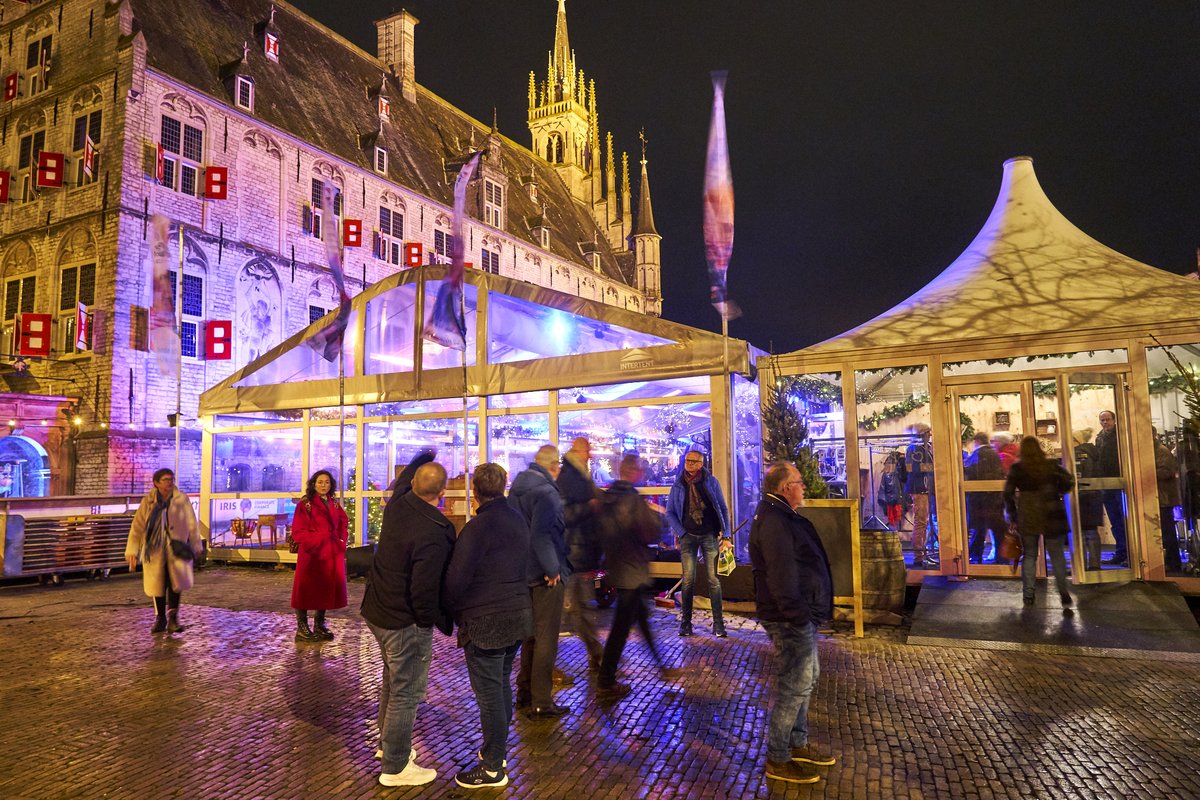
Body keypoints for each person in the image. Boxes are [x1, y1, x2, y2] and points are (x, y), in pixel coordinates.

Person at [361, 460, 455, 788]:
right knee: (406, 690)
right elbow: (424, 589)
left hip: (378, 609)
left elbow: (401, 482)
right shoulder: (434, 530)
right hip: (405, 620)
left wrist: (421, 458)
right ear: (443, 493)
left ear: (413, 483)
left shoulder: (397, 505)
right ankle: (396, 765)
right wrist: (428, 622)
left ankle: (388, 746)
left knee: (392, 678)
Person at [443, 463, 532, 790]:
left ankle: (493, 766)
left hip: (486, 621)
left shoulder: (477, 528)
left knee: (490, 694)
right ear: (504, 486)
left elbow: (456, 579)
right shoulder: (518, 520)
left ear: (475, 491)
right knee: (501, 686)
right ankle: (497, 752)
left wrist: (453, 611)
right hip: (517, 615)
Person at [749, 463, 835, 785]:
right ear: (785, 487)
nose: (804, 488)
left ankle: (797, 743)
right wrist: (797, 614)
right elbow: (781, 574)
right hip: (788, 618)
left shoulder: (781, 514)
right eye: (799, 483)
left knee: (807, 677)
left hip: (797, 615)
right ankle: (778, 756)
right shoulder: (774, 520)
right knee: (794, 683)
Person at [596, 455, 686, 699]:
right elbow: (651, 530)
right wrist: (654, 516)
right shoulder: (632, 500)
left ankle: (660, 665)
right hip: (632, 569)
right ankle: (606, 680)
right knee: (621, 629)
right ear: (633, 472)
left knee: (639, 621)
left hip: (620, 567)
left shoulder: (610, 496)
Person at [510, 445, 571, 720]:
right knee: (546, 638)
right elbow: (542, 535)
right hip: (544, 574)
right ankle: (542, 701)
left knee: (530, 636)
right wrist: (553, 569)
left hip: (521, 570)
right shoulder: (547, 493)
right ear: (553, 466)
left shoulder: (517, 488)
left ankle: (525, 694)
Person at [125, 468, 202, 635]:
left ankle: (173, 619)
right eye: (166, 479)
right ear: (156, 483)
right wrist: (132, 550)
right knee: (157, 584)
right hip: (154, 550)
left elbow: (192, 523)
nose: (169, 482)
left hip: (176, 548)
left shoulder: (182, 500)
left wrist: (196, 545)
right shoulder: (148, 502)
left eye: (171, 479)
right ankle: (160, 618)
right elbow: (137, 527)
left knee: (176, 584)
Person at [666, 450, 732, 637]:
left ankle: (718, 624)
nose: (690, 464)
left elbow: (722, 508)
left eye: (694, 461)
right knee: (688, 581)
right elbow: (670, 512)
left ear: (701, 464)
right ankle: (686, 624)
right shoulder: (679, 485)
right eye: (687, 461)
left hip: (708, 535)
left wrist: (726, 535)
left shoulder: (711, 482)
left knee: (713, 580)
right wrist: (681, 532)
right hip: (688, 536)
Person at [1003, 437, 1075, 608]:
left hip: (1028, 513)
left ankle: (1028, 594)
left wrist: (1013, 515)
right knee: (1057, 555)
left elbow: (1007, 493)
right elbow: (1069, 481)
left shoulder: (1017, 468)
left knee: (1029, 555)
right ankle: (1063, 592)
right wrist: (1058, 492)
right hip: (1052, 512)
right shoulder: (1050, 465)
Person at [556, 437, 605, 672]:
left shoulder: (579, 475)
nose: (590, 455)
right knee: (573, 608)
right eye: (587, 450)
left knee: (580, 607)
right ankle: (542, 662)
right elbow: (565, 514)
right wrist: (590, 506)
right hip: (573, 551)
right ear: (578, 452)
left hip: (579, 550)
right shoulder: (570, 477)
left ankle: (596, 651)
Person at [290, 469, 349, 642]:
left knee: (324, 587)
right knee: (305, 588)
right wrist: (315, 541)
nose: (324, 485)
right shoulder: (306, 503)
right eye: (320, 482)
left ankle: (319, 625)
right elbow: (298, 530)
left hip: (330, 551)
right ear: (314, 484)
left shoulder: (334, 503)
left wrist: (340, 541)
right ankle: (302, 627)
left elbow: (343, 522)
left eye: (327, 482)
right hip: (312, 553)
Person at [964, 433, 1007, 564]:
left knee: (979, 529)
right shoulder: (994, 454)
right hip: (994, 498)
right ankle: (1002, 558)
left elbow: (972, 474)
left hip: (980, 499)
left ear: (976, 441)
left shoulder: (977, 454)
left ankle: (975, 557)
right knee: (997, 530)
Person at [1096, 410, 1128, 565]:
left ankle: (1129, 553)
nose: (1105, 422)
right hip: (1106, 484)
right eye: (1102, 420)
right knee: (1115, 521)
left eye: (1107, 419)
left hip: (1119, 484)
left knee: (1125, 520)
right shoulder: (1099, 438)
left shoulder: (1121, 437)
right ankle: (1121, 552)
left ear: (1114, 420)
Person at [1071, 428, 1104, 571]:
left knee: (1082, 532)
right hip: (1094, 496)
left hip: (1083, 496)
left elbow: (1080, 477)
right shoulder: (1094, 452)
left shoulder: (1079, 454)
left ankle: (1081, 565)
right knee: (1091, 530)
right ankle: (1095, 563)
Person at [903, 423, 935, 569]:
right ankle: (918, 557)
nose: (930, 434)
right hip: (919, 489)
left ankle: (922, 554)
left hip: (924, 488)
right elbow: (915, 469)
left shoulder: (923, 447)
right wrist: (937, 466)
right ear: (923, 433)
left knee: (924, 522)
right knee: (921, 523)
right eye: (928, 432)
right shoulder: (914, 448)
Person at [1153, 428, 1183, 574]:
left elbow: (1167, 471)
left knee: (1168, 532)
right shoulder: (1154, 451)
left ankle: (1173, 563)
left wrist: (1147, 472)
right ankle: (1169, 562)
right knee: (1165, 532)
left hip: (1164, 498)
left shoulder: (1161, 451)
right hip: (1159, 497)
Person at [877, 455, 904, 530]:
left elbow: (882, 489)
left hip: (890, 500)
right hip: (896, 499)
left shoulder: (886, 474)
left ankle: (894, 529)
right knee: (896, 516)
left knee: (893, 517)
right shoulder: (896, 474)